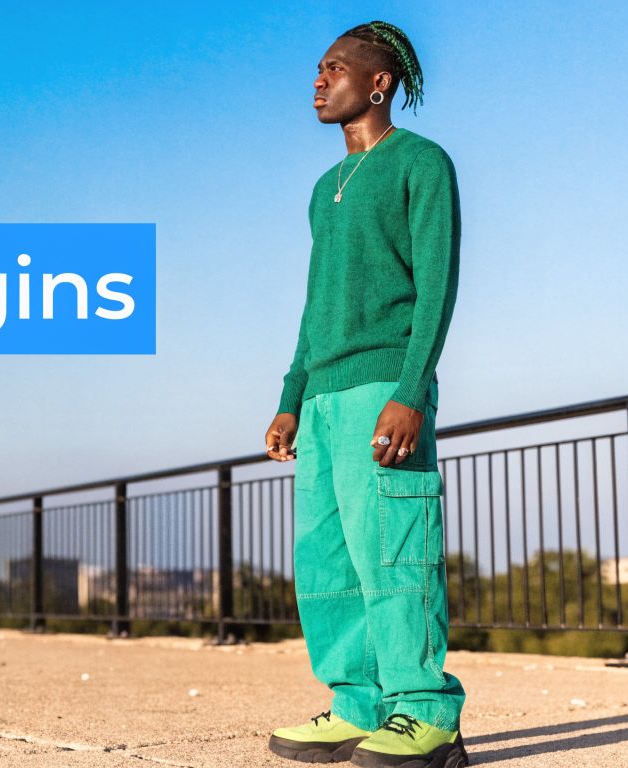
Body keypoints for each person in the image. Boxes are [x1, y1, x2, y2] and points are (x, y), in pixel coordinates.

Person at [262, 20, 468, 768]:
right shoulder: (326, 189)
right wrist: (291, 394)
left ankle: (426, 712)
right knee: (328, 564)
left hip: (385, 385)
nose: (319, 80)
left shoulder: (421, 163)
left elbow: (438, 285)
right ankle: (356, 706)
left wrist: (412, 391)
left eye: (335, 68)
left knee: (393, 554)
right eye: (317, 69)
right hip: (322, 398)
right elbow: (317, 303)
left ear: (379, 82)